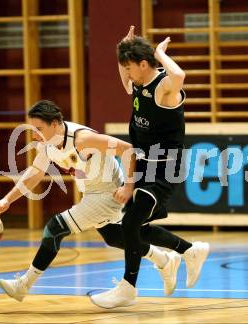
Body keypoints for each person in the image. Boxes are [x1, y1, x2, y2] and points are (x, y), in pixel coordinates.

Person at [0, 99, 183, 302]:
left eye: (38, 129)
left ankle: (23, 285)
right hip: (91, 193)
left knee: (54, 228)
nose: (34, 135)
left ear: (54, 124)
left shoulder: (83, 139)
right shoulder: (46, 144)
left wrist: (128, 187)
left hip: (108, 192)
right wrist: (6, 201)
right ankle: (165, 260)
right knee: (114, 237)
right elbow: (35, 173)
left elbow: (128, 150)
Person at [90, 26, 210, 309]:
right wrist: (124, 47)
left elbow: (179, 75)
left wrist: (159, 54)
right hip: (144, 164)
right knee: (127, 229)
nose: (127, 73)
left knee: (131, 224)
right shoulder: (138, 85)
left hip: (165, 166)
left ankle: (128, 287)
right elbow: (125, 79)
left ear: (144, 64)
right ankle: (188, 251)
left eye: (130, 67)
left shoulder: (164, 89)